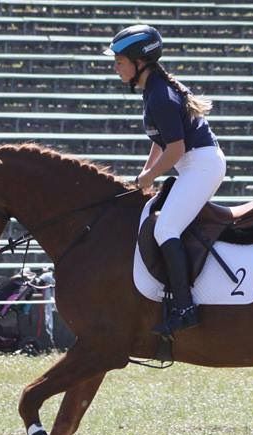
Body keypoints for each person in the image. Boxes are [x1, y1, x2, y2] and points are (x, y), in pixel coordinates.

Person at [105, 24, 226, 337]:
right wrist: (143, 176)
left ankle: (185, 306)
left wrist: (148, 176)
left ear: (139, 62)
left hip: (200, 166)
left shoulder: (159, 95)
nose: (115, 66)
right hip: (193, 165)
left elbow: (176, 148)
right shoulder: (153, 88)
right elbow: (159, 142)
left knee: (166, 227)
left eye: (120, 60)